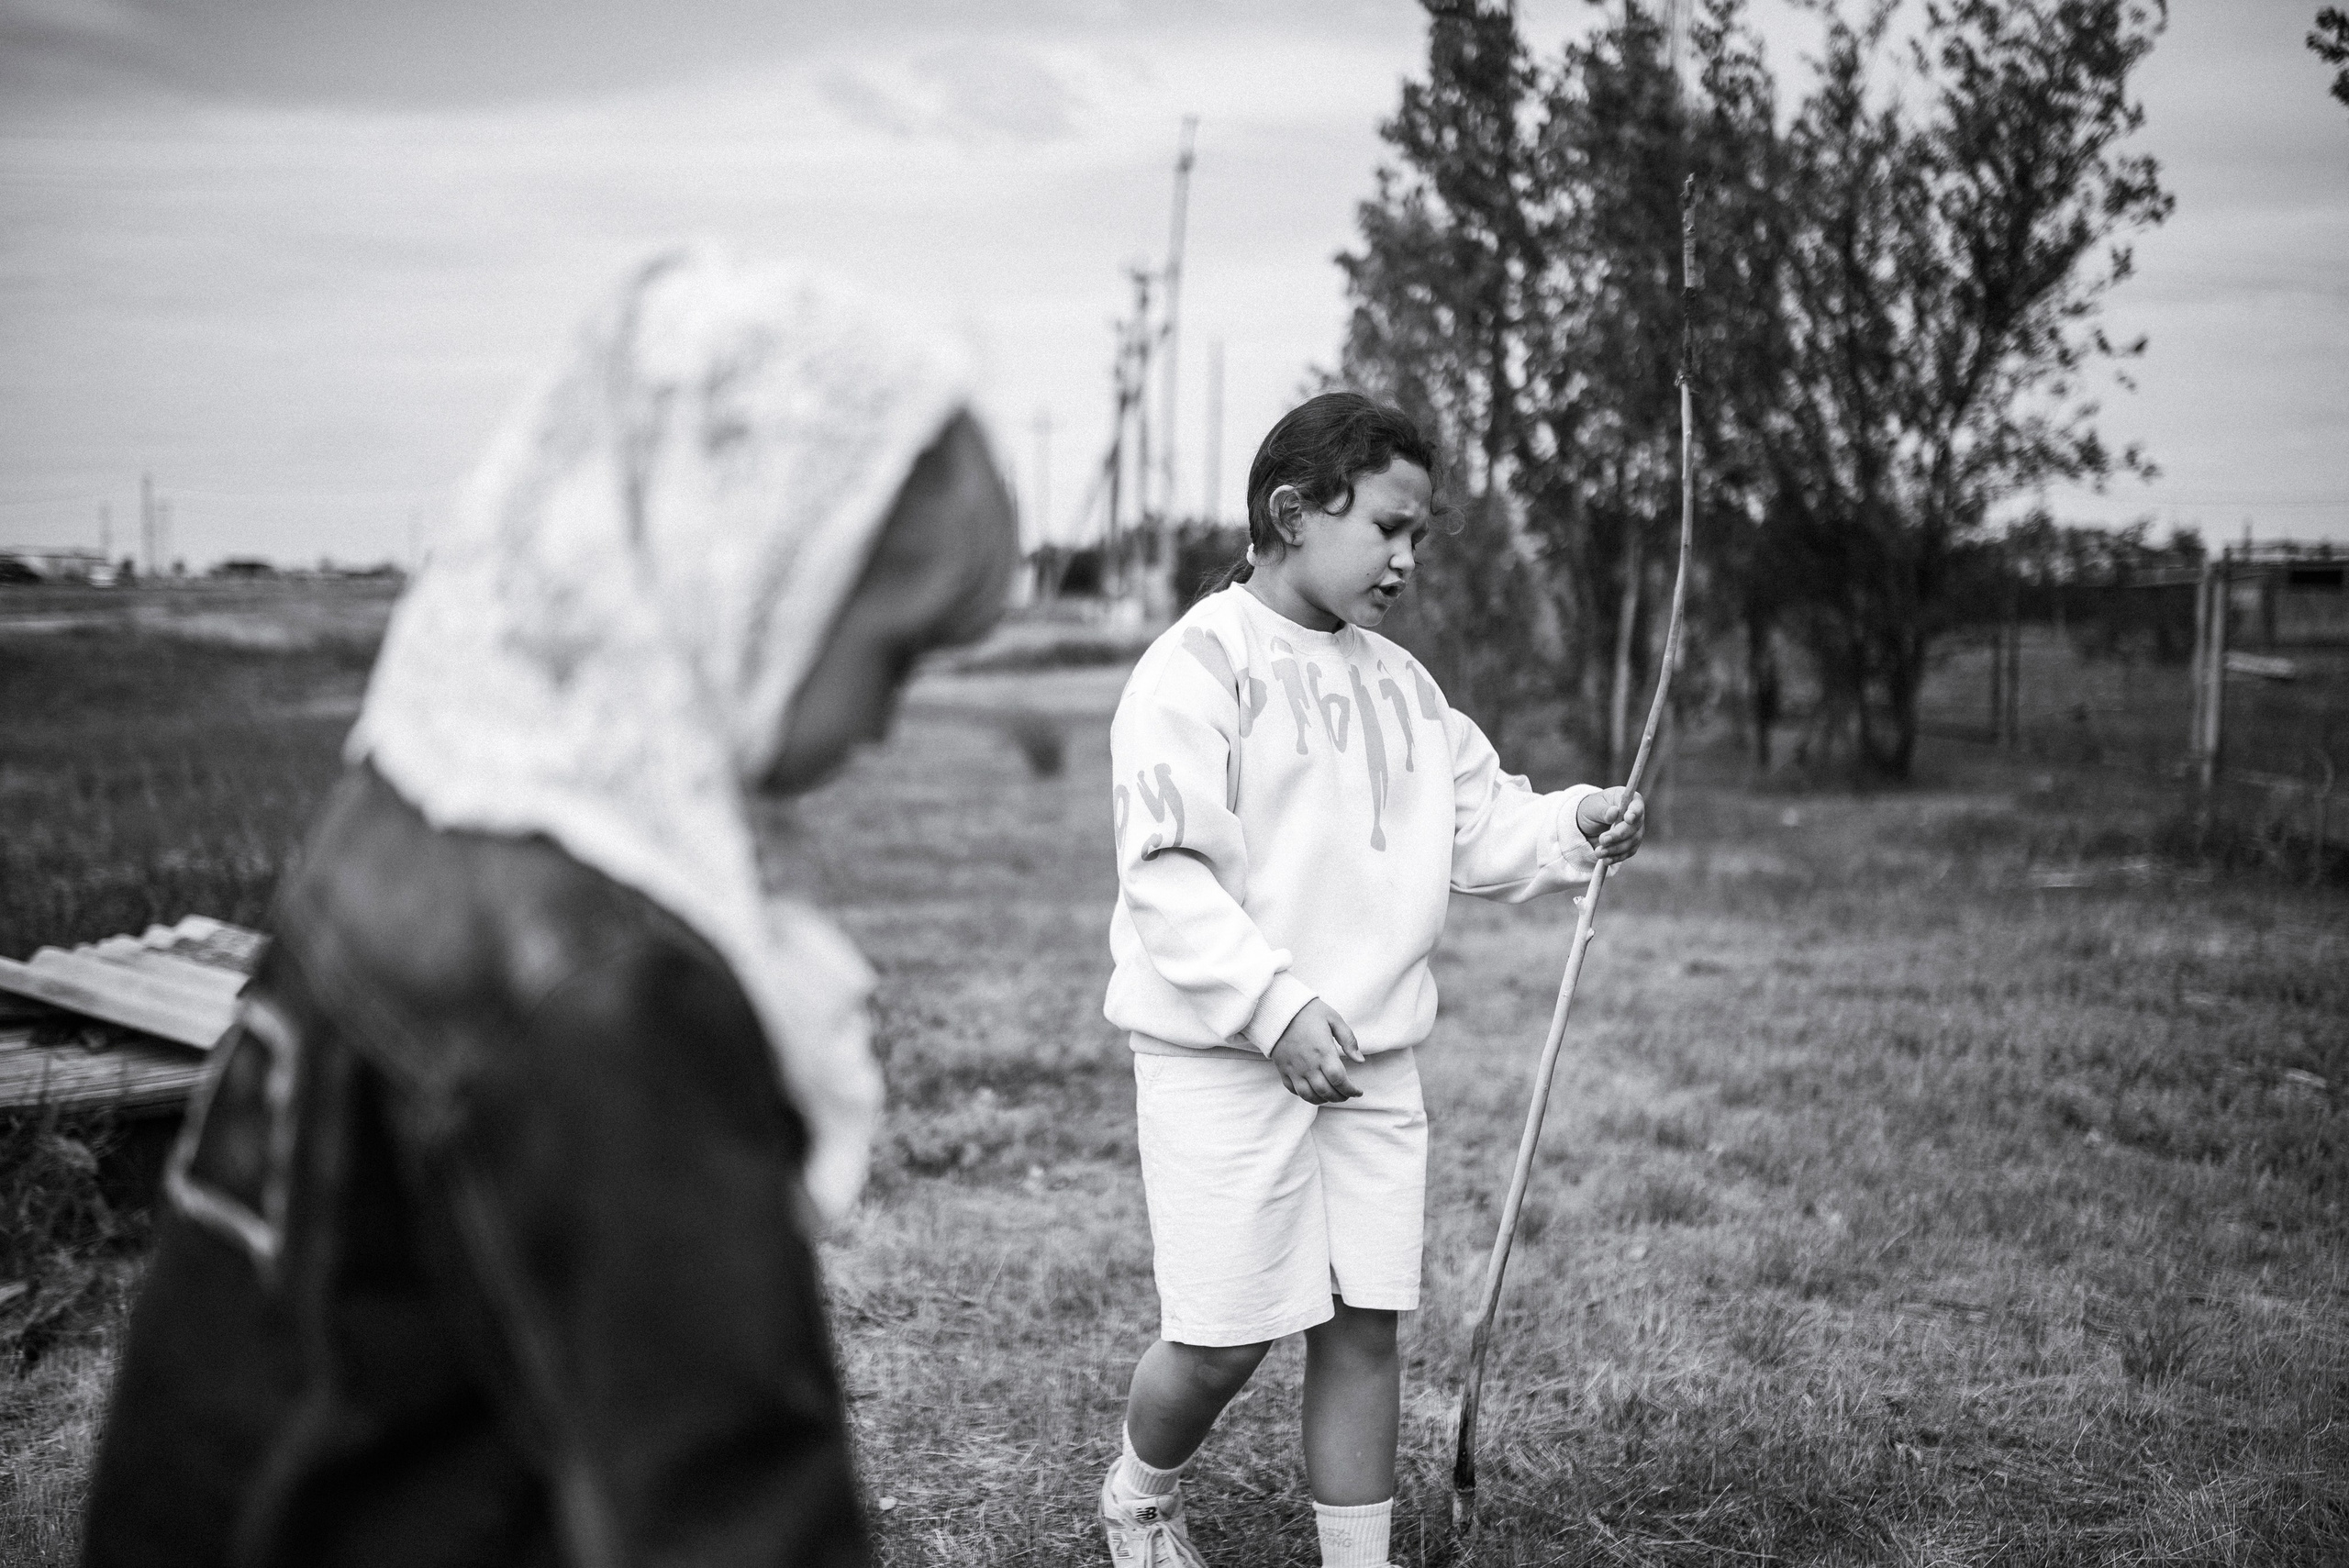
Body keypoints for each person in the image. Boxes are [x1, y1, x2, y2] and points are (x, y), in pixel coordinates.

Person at [82, 248, 1017, 1568]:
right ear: (758, 570)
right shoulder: (604, 983)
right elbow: (732, 1513)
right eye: (894, 651)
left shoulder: (413, 799)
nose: (883, 722)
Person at [1097, 392, 1644, 1568]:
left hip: (1372, 1060)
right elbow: (1169, 874)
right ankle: (1140, 1490)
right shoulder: (1195, 668)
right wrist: (1273, 1004)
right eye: (1388, 526)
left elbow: (1479, 819)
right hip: (1224, 1059)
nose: (1406, 557)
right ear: (1293, 512)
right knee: (1225, 1337)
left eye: (1420, 536)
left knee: (1364, 1323)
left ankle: (1360, 1558)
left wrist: (1572, 822)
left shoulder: (1405, 685)